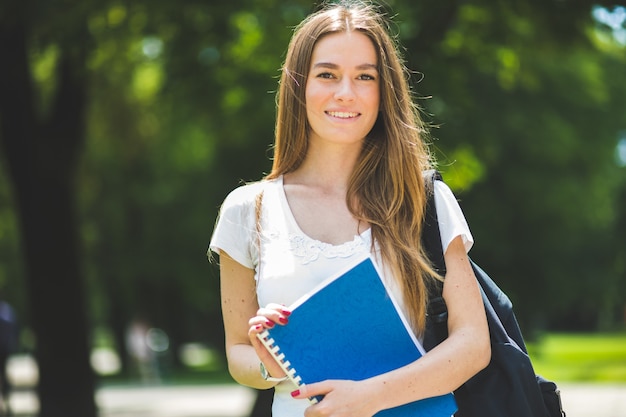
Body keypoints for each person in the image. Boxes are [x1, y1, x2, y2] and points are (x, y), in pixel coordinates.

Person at [208, 2, 491, 416]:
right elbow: (237, 352)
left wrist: (370, 397)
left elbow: (472, 344)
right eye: (327, 74)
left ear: (384, 90)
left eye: (365, 76)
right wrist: (269, 364)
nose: (346, 92)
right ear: (299, 85)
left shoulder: (422, 200)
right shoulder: (247, 210)